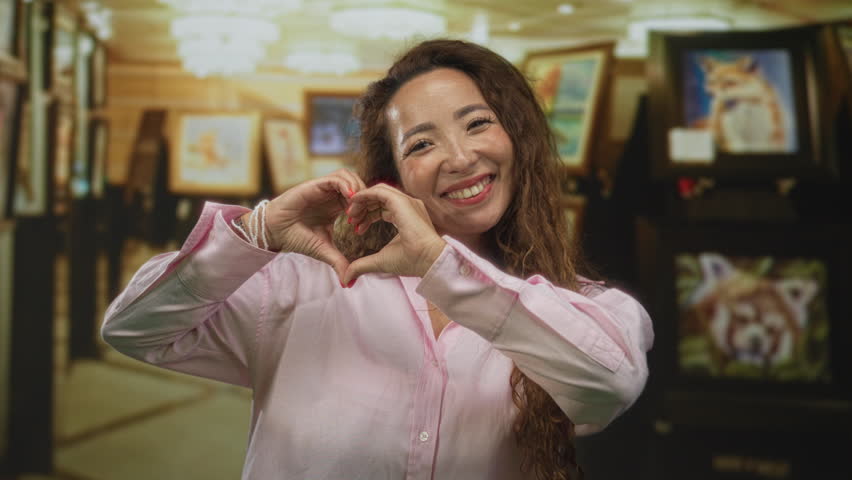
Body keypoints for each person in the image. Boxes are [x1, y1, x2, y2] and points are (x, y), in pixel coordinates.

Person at [102, 39, 653, 480]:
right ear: (394, 177)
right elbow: (135, 328)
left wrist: (442, 265)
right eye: (421, 144)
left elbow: (610, 385)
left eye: (478, 123)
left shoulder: (579, 307)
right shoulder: (305, 285)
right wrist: (258, 230)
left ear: (519, 138)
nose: (460, 157)